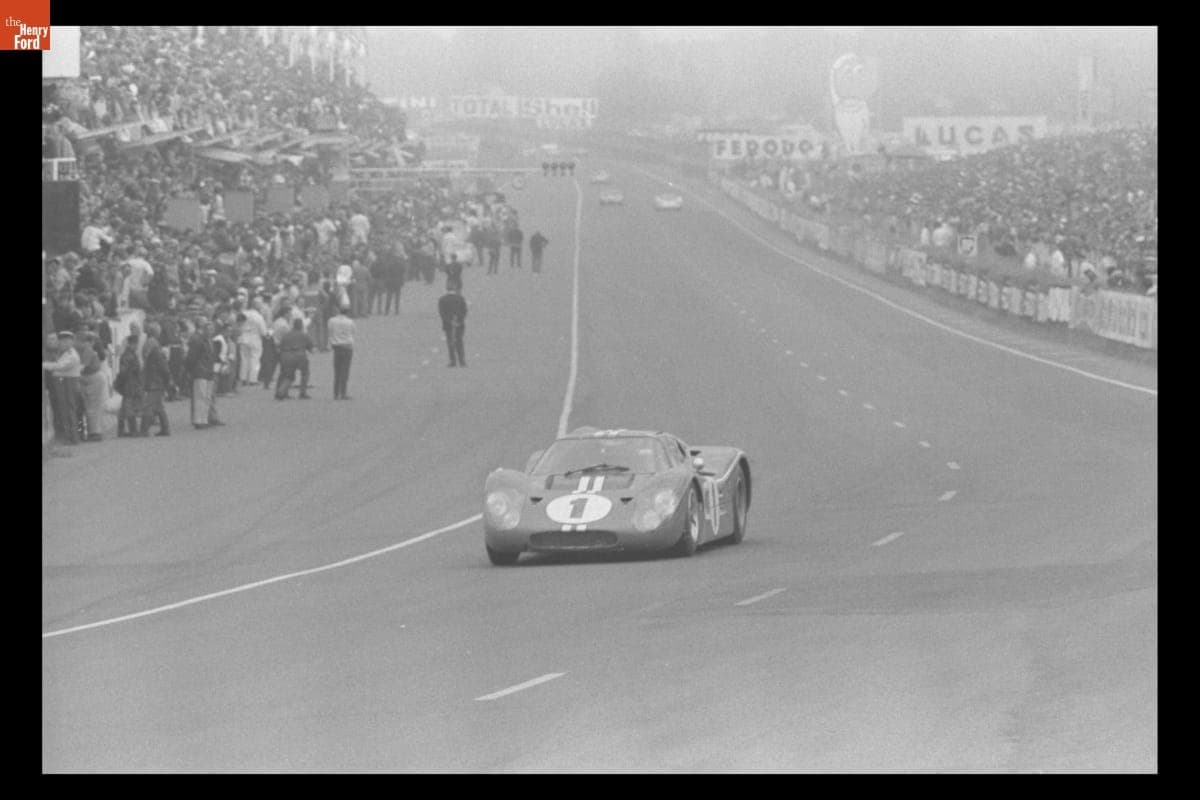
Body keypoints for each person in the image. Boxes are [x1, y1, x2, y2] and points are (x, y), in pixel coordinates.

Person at [42, 330, 82, 444]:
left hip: (68, 383)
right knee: (66, 409)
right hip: (64, 382)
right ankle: (70, 436)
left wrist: (44, 365)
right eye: (62, 341)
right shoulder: (65, 352)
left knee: (69, 409)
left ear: (71, 342)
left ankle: (72, 437)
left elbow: (59, 366)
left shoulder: (71, 355)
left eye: (66, 341)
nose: (63, 344)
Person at [186, 320, 221, 428]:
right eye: (208, 329)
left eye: (212, 329)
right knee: (200, 396)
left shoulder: (212, 342)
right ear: (204, 330)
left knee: (207, 397)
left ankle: (204, 419)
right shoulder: (199, 341)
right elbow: (192, 357)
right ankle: (198, 420)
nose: (210, 331)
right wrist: (191, 369)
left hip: (209, 371)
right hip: (200, 371)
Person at [76, 331, 106, 442]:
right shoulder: (88, 349)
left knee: (92, 407)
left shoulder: (87, 349)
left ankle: (94, 432)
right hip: (91, 378)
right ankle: (94, 431)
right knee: (92, 406)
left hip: (92, 378)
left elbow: (82, 367)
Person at [139, 336, 171, 436]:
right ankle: (165, 429)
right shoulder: (157, 354)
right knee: (159, 407)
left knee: (147, 406)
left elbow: (164, 370)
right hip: (158, 383)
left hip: (155, 384)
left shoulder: (155, 354)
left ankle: (144, 430)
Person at [275, 318, 314, 400]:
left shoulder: (286, 335)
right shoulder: (304, 335)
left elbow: (280, 346)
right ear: (301, 326)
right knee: (305, 373)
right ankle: (302, 392)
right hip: (299, 356)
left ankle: (281, 391)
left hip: (285, 356)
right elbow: (310, 348)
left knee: (288, 375)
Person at [114, 333, 144, 437]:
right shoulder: (129, 355)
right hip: (130, 384)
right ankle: (133, 430)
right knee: (129, 407)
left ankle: (121, 431)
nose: (136, 346)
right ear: (132, 344)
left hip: (129, 383)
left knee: (124, 408)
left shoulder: (128, 354)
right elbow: (124, 372)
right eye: (135, 344)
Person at [328, 305, 356, 400]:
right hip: (347, 347)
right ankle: (343, 392)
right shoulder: (350, 322)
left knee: (337, 370)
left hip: (336, 347)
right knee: (345, 370)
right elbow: (353, 332)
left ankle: (335, 393)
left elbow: (330, 331)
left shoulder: (332, 320)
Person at [438, 285, 468, 368]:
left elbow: (442, 313)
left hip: (448, 324)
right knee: (459, 341)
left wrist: (450, 321)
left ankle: (453, 361)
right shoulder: (460, 298)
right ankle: (462, 361)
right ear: (454, 289)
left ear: (447, 289)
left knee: (450, 342)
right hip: (460, 324)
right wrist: (460, 320)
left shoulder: (442, 299)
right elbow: (464, 310)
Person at [238, 302, 267, 386]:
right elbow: (263, 332)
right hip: (255, 338)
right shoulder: (258, 316)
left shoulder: (243, 313)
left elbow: (238, 324)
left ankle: (243, 378)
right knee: (255, 359)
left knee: (244, 359)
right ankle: (253, 379)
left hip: (243, 337)